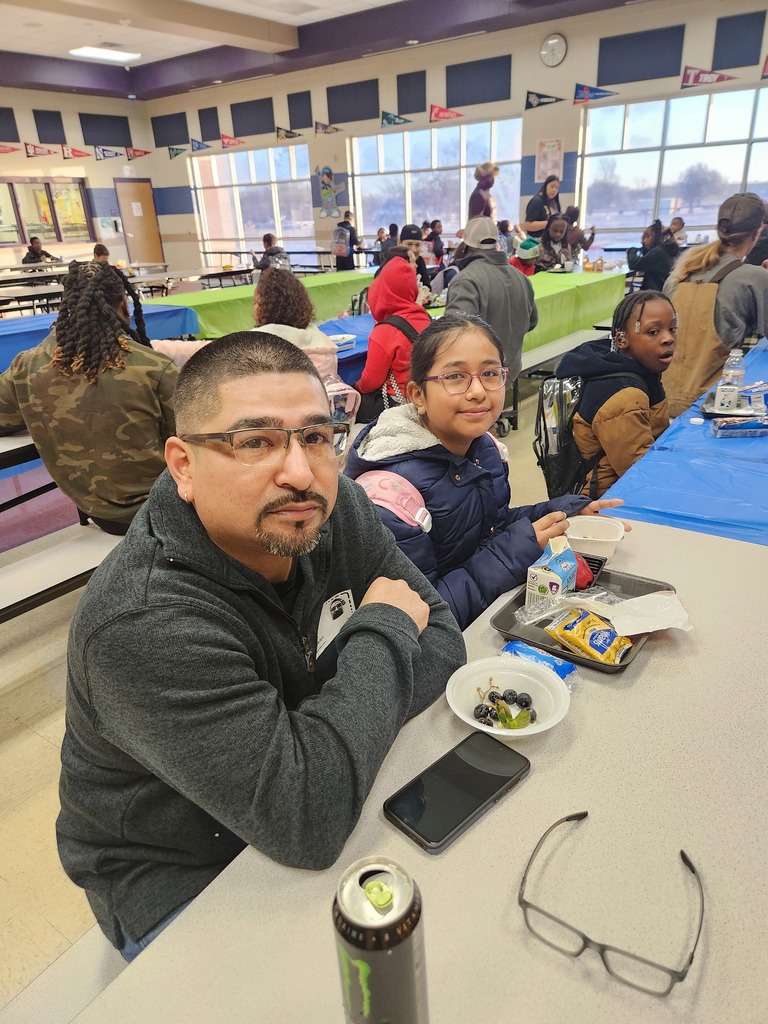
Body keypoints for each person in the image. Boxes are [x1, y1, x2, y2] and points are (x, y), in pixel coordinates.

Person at [56, 332, 465, 958]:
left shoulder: (331, 508)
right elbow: (308, 817)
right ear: (184, 466)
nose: (299, 472)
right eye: (254, 442)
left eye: (316, 436)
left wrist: (323, 749)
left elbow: (441, 636)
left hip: (313, 789)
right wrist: (381, 630)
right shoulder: (141, 624)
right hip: (183, 871)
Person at [345, 313, 624, 629]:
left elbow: (492, 527)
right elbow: (425, 617)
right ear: (418, 395)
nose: (478, 391)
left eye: (490, 373)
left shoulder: (483, 448)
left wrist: (566, 510)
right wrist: (513, 552)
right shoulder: (391, 498)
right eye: (455, 377)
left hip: (485, 615)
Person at [0, 260, 177, 534]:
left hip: (100, 515)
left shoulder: (26, 367)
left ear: (68, 307)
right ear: (124, 306)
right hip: (167, 512)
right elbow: (193, 443)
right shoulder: (154, 368)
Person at [556, 291, 677, 497]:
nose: (668, 338)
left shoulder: (632, 369)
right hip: (607, 500)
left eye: (672, 328)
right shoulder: (624, 397)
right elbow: (639, 474)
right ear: (622, 339)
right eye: (653, 332)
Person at [663, 192, 768, 416]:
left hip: (661, 403)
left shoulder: (682, 272)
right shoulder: (754, 278)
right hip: (711, 406)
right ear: (758, 232)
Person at [446, 216, 537, 392]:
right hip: (510, 371)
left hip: (477, 380)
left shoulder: (465, 280)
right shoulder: (521, 278)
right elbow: (532, 322)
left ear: (465, 245)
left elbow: (455, 334)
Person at [355, 254, 431, 422]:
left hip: (398, 403)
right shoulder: (424, 317)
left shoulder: (384, 331)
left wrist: (355, 386)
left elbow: (370, 382)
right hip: (427, 397)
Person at [252, 266, 338, 377]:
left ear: (265, 308)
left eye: (256, 302)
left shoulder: (255, 345)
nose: (253, 308)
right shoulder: (322, 343)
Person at [626, 220, 678, 292]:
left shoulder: (657, 253)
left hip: (655, 292)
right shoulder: (667, 251)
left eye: (647, 236)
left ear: (657, 236)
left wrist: (631, 251)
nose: (644, 241)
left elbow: (633, 264)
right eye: (643, 238)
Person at [399, 223, 432, 287]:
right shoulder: (392, 263)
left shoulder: (420, 261)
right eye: (409, 244)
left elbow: (427, 286)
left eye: (417, 245)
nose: (414, 250)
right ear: (399, 243)